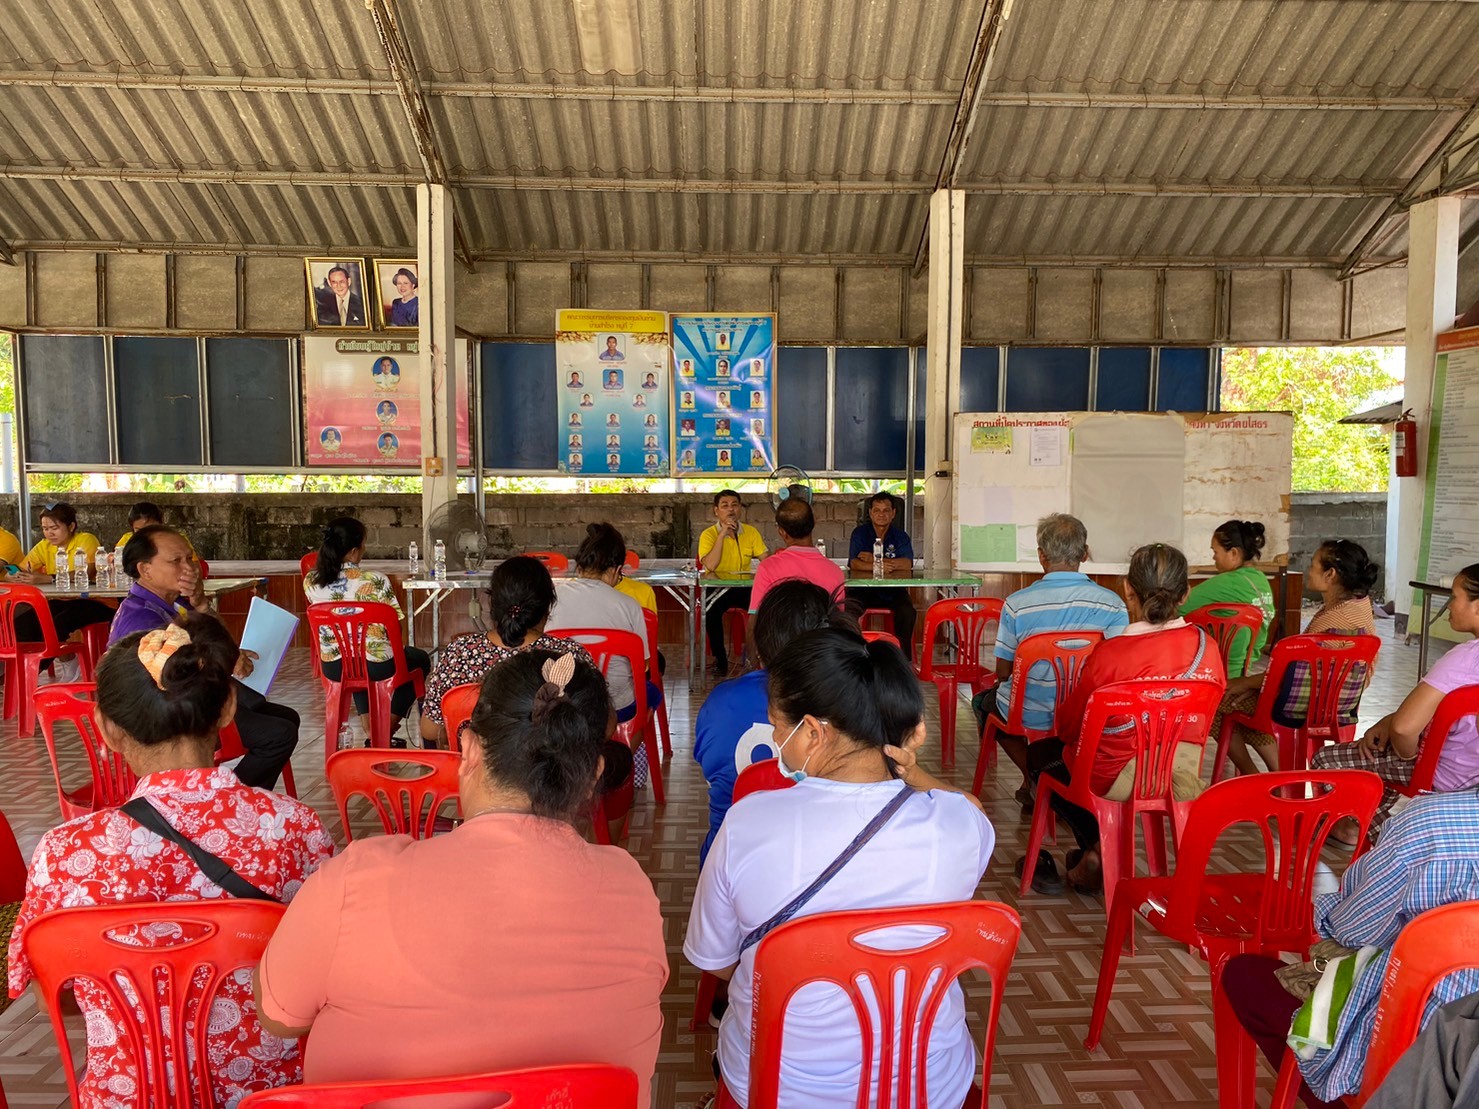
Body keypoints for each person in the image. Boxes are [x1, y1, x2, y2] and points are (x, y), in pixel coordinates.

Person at [253, 651, 667, 1104]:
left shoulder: (357, 879)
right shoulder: (632, 891)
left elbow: (278, 1017)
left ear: (468, 750)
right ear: (592, 777)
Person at [8, 615, 333, 1109]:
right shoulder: (295, 830)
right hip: (266, 1093)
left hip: (128, 1097)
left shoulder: (64, 853)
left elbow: (54, 996)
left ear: (106, 729)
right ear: (228, 708)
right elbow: (325, 974)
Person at [685, 627, 995, 1108]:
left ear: (813, 732)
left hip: (778, 1089)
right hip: (930, 1088)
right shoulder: (958, 828)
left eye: (777, 726)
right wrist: (914, 773)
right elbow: (971, 809)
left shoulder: (748, 824)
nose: (775, 739)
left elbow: (720, 963)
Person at [1224, 787, 1479, 1108]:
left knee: (1245, 975)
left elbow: (1354, 930)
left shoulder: (1432, 825)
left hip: (1414, 1053)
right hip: (1467, 1073)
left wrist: (1327, 907)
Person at [1019, 543, 1225, 895]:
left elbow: (1068, 729)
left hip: (1112, 779)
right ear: (1186, 593)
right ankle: (1100, 852)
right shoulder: (1208, 648)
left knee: (1041, 757)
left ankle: (1098, 848)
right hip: (1179, 771)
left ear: (1128, 589)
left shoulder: (1111, 654)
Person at [110, 525, 302, 791]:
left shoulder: (176, 602)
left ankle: (234, 794)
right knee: (278, 735)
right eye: (175, 561)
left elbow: (215, 637)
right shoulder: (141, 618)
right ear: (145, 569)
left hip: (198, 697)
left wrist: (200, 602)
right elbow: (171, 682)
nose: (188, 568)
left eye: (189, 559)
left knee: (288, 718)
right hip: (174, 714)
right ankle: (230, 798)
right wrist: (225, 658)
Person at [1311, 563, 1479, 842]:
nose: (1449, 605)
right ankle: (1363, 828)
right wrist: (1389, 723)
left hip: (1443, 773)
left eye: (1454, 596)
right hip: (1473, 776)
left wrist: (1407, 753)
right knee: (1382, 760)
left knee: (1325, 760)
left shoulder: (1464, 659)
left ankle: (1386, 839)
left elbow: (1403, 728)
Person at [974, 513, 1129, 810]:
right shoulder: (1113, 604)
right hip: (1085, 713)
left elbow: (1003, 672)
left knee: (984, 703)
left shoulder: (1017, 604)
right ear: (1084, 554)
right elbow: (1116, 665)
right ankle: (1049, 777)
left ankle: (1034, 777)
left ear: (1041, 556)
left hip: (1028, 712)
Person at [694, 580, 853, 864]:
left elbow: (713, 772)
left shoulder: (720, 703)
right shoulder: (848, 704)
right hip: (819, 862)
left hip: (728, 857)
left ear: (761, 641)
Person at [1217, 539, 1380, 776]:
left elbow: (1290, 674)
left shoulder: (1332, 621)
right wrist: (1255, 686)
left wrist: (1248, 682)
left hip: (1298, 707)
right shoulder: (1361, 609)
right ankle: (1278, 776)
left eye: (1313, 565)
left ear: (1330, 574)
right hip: (1343, 707)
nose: (1308, 571)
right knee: (1246, 699)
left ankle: (1253, 775)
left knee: (1220, 701)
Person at [421, 555, 596, 745]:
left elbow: (430, 730)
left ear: (492, 604)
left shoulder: (459, 653)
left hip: (475, 763)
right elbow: (603, 726)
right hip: (549, 764)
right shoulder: (569, 656)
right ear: (547, 606)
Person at [305, 518, 430, 747]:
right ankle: (384, 729)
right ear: (354, 552)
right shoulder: (376, 580)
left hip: (334, 667)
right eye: (363, 545)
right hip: (378, 665)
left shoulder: (311, 581)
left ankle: (369, 726)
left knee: (354, 661)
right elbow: (395, 627)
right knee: (419, 660)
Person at [543, 523, 654, 726]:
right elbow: (643, 665)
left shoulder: (552, 598)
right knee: (652, 692)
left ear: (579, 566)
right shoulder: (629, 605)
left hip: (564, 702)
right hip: (617, 706)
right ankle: (631, 743)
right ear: (616, 570)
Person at [15, 502, 114, 675]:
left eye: (54, 528)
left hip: (96, 601)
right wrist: (16, 575)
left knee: (58, 623)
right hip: (64, 600)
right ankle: (17, 668)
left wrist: (49, 578)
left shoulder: (85, 540)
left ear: (71, 526)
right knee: (25, 621)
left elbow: (89, 571)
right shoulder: (44, 546)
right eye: (45, 529)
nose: (49, 533)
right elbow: (23, 567)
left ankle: (34, 669)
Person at [1180, 519, 1277, 677]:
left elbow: (1179, 606)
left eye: (1215, 552)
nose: (1214, 558)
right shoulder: (1261, 580)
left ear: (1233, 553)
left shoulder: (1228, 582)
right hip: (1247, 670)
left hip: (1215, 670)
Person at [698, 490, 768, 677]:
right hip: (718, 588)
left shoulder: (751, 532)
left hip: (744, 588)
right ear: (716, 511)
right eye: (725, 506)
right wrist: (722, 535)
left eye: (734, 505)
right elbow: (710, 565)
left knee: (766, 608)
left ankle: (759, 658)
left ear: (740, 508)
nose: (731, 510)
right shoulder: (708, 535)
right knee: (710, 612)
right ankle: (720, 660)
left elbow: (766, 560)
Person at [748, 498, 844, 615]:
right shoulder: (835, 572)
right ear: (814, 522)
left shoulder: (767, 568)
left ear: (782, 532)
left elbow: (754, 620)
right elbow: (838, 619)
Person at [846, 491, 918, 649]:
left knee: (907, 612)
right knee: (847, 612)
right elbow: (855, 563)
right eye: (877, 510)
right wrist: (885, 566)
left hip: (893, 591)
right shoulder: (860, 534)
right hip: (862, 590)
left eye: (886, 510)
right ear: (870, 513)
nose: (881, 514)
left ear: (893, 513)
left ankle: (903, 657)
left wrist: (874, 560)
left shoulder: (901, 536)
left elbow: (907, 563)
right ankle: (851, 653)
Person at [115, 500, 195, 556]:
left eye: (151, 528)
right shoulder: (126, 541)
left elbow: (195, 568)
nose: (145, 534)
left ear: (161, 523)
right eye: (139, 530)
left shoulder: (178, 540)